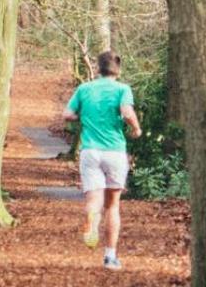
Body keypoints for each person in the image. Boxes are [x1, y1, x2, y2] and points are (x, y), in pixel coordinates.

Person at [62, 51, 142, 271]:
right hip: (114, 151)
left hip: (90, 152)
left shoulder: (84, 89)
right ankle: (110, 257)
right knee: (113, 205)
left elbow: (67, 114)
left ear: (98, 68)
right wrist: (136, 128)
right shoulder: (122, 89)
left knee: (94, 200)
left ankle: (91, 217)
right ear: (118, 69)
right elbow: (126, 111)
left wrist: (84, 117)